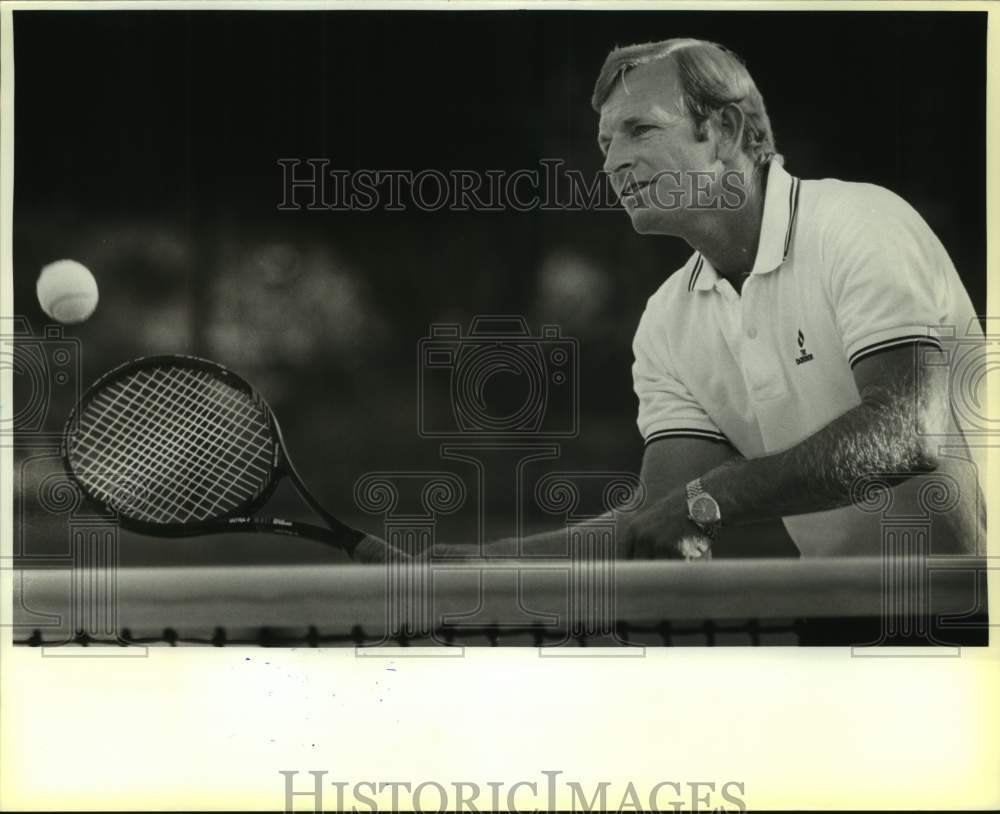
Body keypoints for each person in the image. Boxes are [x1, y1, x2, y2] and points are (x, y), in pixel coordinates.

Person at [415, 37, 984, 561]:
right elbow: (658, 516)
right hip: (838, 621)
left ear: (728, 130)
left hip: (979, 615)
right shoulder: (666, 321)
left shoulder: (861, 222)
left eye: (640, 130)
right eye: (606, 143)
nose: (612, 163)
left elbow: (909, 430)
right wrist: (480, 564)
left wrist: (718, 493)